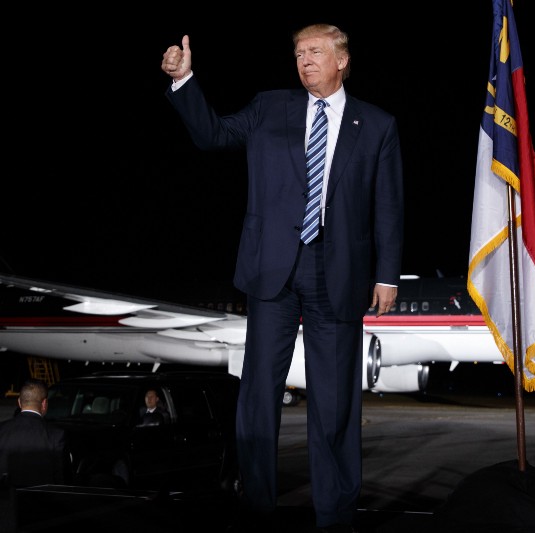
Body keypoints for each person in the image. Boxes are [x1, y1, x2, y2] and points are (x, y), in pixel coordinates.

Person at [160, 23, 404, 533]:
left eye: (315, 52)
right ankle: (256, 503)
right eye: (298, 53)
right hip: (271, 271)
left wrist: (387, 275)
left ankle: (335, 512)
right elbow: (214, 135)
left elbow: (388, 207)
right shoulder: (271, 107)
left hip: (338, 274)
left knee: (335, 400)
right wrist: (185, 82)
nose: (304, 60)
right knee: (258, 394)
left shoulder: (377, 124)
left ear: (342, 60)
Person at [0, 379, 71, 488]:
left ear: (19, 402)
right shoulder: (56, 435)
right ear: (44, 403)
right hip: (41, 502)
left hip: (6, 501)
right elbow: (62, 479)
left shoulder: (2, 429)